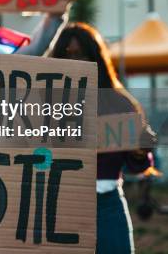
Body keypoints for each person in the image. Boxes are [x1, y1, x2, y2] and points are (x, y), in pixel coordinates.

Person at [48, 22, 156, 254]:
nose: (76, 61)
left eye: (82, 54)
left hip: (107, 207)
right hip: (58, 207)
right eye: (68, 54)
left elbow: (138, 165)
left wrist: (140, 150)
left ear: (95, 58)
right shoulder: (42, 104)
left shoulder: (120, 104)